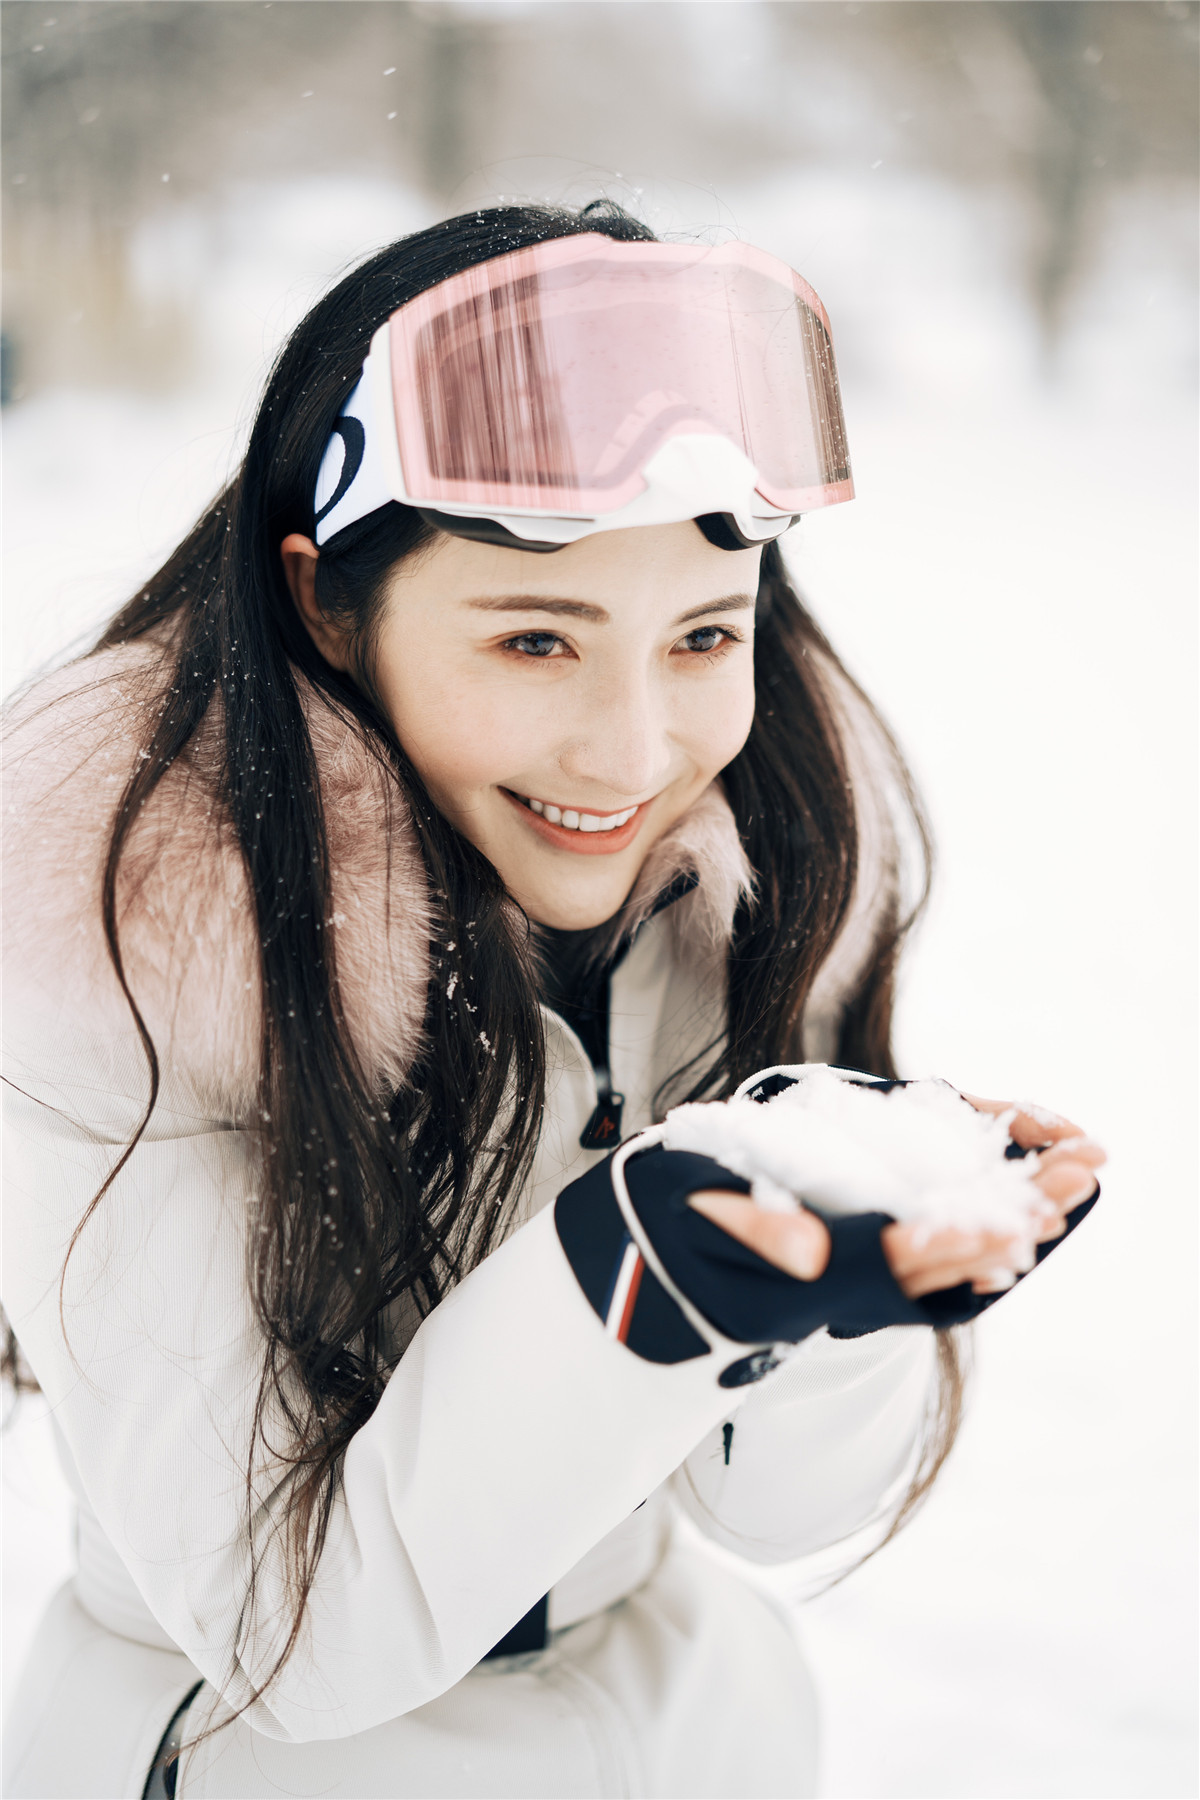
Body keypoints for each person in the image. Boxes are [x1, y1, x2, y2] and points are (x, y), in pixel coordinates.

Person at [1, 201, 1102, 1800]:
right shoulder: (132, 955)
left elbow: (771, 1513)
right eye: (535, 637)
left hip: (685, 1732)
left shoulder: (740, 888)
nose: (633, 751)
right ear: (324, 604)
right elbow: (292, 1635)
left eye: (703, 635)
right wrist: (636, 1268)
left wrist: (834, 1289)